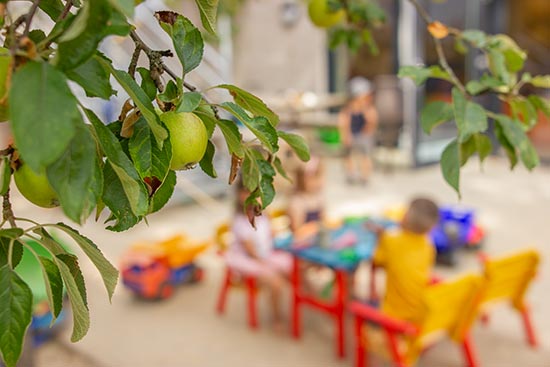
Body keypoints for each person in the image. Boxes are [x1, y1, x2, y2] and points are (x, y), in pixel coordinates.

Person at [225, 177, 292, 331]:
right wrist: (269, 264)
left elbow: (269, 236)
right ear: (240, 195)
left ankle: (306, 301)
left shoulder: (264, 213)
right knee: (276, 283)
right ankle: (277, 318)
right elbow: (251, 252)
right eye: (247, 192)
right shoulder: (240, 220)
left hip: (265, 253)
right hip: (247, 259)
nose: (253, 196)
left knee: (292, 267)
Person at [368, 197, 439, 324]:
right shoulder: (429, 245)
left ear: (405, 217)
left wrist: (381, 238)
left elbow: (376, 261)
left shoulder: (391, 240)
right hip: (419, 312)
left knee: (361, 304)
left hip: (392, 315)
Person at [338, 76, 378, 185]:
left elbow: (372, 121)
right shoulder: (349, 108)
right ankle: (351, 174)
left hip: (364, 135)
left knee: (365, 156)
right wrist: (345, 135)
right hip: (352, 134)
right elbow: (344, 121)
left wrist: (368, 131)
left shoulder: (368, 108)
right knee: (349, 155)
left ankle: (364, 176)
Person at [287, 156, 325, 235]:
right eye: (316, 178)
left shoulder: (318, 197)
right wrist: (316, 226)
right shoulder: (297, 201)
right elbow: (297, 231)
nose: (320, 181)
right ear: (302, 179)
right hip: (302, 243)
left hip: (315, 238)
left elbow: (323, 219)